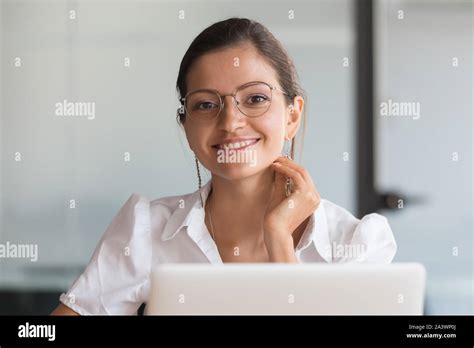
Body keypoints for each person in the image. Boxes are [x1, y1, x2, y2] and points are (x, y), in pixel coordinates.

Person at [52, 17, 396, 316]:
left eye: (256, 98)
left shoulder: (356, 245)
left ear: (292, 116)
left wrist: (278, 239)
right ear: (186, 127)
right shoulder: (145, 232)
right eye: (205, 104)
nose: (230, 122)